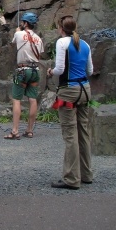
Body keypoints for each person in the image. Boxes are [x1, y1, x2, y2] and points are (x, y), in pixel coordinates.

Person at [47, 16, 93, 190]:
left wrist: (51, 72)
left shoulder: (62, 43)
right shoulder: (85, 44)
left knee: (70, 134)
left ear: (61, 28)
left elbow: (60, 69)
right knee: (83, 132)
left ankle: (72, 178)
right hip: (85, 90)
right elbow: (90, 70)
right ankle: (86, 174)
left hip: (68, 91)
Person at [5, 12, 44, 140]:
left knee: (17, 99)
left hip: (22, 69)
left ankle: (15, 131)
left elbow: (13, 44)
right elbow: (40, 53)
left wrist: (17, 31)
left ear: (25, 23)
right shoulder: (38, 39)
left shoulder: (19, 34)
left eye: (23, 22)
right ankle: (29, 130)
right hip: (35, 70)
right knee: (32, 99)